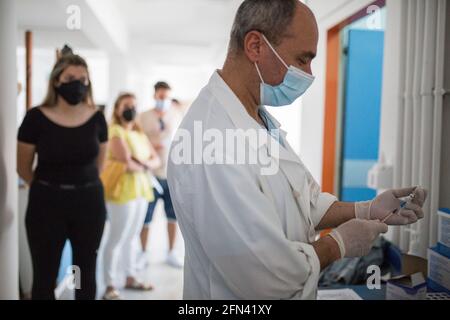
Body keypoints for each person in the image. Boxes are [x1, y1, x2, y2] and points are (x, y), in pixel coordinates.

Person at [167, 0, 428, 300]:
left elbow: (303, 201)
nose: (309, 73)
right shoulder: (212, 141)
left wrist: (366, 209)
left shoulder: (256, 117)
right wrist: (338, 245)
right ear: (255, 45)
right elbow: (263, 275)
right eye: (303, 59)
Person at [17, 51, 108, 300]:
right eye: (70, 77)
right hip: (46, 203)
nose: (77, 84)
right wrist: (47, 187)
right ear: (56, 81)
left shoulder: (98, 118)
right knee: (45, 276)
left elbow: (100, 165)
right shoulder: (36, 117)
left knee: (85, 274)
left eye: (83, 78)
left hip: (89, 203)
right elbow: (23, 166)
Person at [101, 93, 161, 300]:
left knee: (133, 236)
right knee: (116, 238)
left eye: (134, 105)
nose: (131, 109)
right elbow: (125, 161)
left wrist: (142, 165)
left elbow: (156, 160)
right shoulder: (115, 131)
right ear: (117, 109)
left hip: (141, 191)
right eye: (126, 105)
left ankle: (130, 276)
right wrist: (146, 165)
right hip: (121, 192)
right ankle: (109, 285)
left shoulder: (139, 133)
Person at [138, 82, 184, 268]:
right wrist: (150, 145)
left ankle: (172, 252)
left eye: (167, 97)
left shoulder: (176, 114)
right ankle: (142, 254)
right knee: (146, 217)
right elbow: (137, 141)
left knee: (172, 216)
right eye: (161, 97)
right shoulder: (143, 117)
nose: (164, 100)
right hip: (150, 175)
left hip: (171, 174)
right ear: (155, 95)